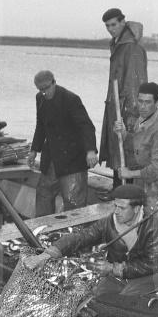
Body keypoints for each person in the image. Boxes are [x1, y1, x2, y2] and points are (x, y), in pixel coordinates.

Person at [23, 184, 158, 294]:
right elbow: (81, 237)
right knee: (96, 296)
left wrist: (114, 269)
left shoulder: (154, 229)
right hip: (118, 277)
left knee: (126, 300)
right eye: (115, 206)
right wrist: (48, 254)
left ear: (137, 209)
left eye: (122, 208)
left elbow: (153, 265)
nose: (116, 211)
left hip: (151, 278)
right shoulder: (109, 223)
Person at [26, 70, 98, 216]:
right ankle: (43, 227)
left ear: (54, 82)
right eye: (40, 90)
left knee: (73, 200)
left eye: (46, 88)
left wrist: (91, 151)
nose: (44, 93)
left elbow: (87, 126)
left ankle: (75, 229)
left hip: (73, 158)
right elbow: (41, 126)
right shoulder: (40, 98)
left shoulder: (71, 99)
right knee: (44, 193)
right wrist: (34, 150)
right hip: (52, 157)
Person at [99, 8, 148, 186]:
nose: (110, 29)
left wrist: (133, 115)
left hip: (127, 110)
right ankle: (117, 191)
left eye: (114, 24)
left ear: (123, 22)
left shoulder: (132, 47)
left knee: (126, 154)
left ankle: (125, 195)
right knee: (117, 156)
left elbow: (136, 83)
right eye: (107, 26)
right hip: (116, 106)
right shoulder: (117, 44)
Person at [115, 82, 158, 219]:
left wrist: (130, 174)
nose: (142, 106)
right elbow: (139, 149)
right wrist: (123, 134)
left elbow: (157, 169)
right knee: (139, 223)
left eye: (147, 102)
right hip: (141, 181)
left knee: (154, 227)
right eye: (140, 101)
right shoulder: (141, 120)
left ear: (157, 103)